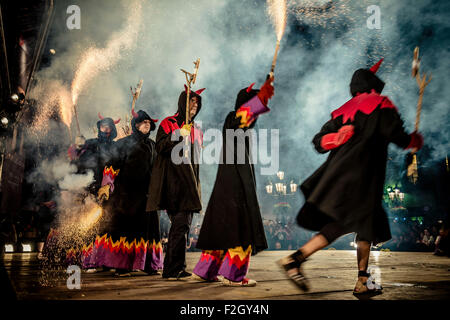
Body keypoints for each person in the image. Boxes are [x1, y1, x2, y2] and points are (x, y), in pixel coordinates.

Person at [278, 58, 424, 295]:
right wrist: (412, 141)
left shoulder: (342, 110)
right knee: (364, 223)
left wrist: (334, 139)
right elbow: (395, 134)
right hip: (364, 178)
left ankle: (296, 259)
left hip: (339, 177)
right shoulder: (381, 103)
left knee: (347, 225)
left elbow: (318, 140)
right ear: (373, 85)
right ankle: (361, 282)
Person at [191, 77, 274, 286]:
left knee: (221, 230)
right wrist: (260, 99)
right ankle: (233, 275)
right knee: (241, 229)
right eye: (253, 108)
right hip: (236, 187)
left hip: (226, 187)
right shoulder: (234, 119)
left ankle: (204, 271)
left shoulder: (240, 126)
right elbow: (243, 115)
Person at [87, 109, 162, 277]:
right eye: (144, 122)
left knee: (148, 231)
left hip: (147, 196)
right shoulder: (124, 143)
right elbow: (112, 165)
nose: (147, 125)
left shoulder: (152, 145)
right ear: (136, 125)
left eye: (149, 123)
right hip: (126, 196)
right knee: (126, 230)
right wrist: (106, 185)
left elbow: (158, 169)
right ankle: (123, 266)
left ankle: (149, 265)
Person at [147, 86, 205, 280]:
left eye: (197, 102)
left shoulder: (197, 129)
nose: (195, 105)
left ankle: (177, 267)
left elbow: (196, 162)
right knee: (180, 227)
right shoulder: (168, 123)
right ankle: (172, 269)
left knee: (182, 228)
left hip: (189, 184)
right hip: (174, 184)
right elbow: (161, 147)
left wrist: (197, 187)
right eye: (192, 101)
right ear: (183, 102)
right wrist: (179, 133)